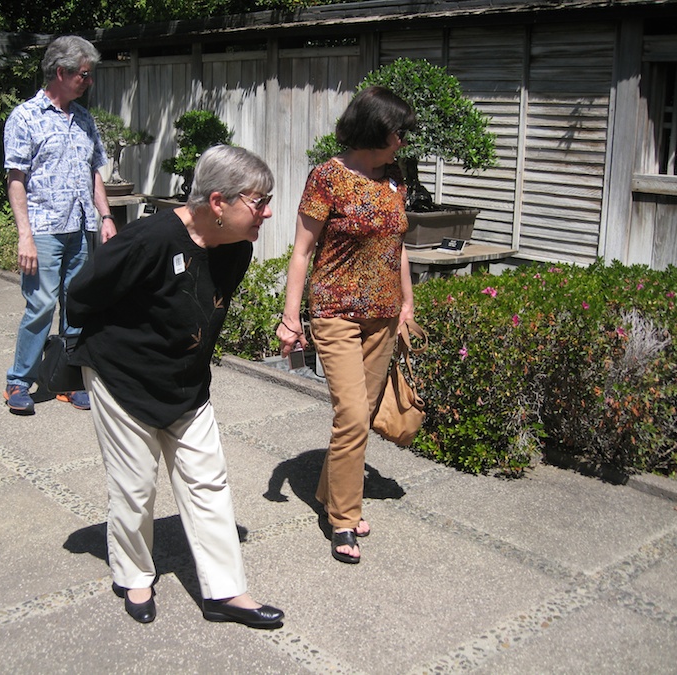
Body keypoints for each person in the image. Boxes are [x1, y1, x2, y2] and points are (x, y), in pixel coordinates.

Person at [66, 145, 285, 628]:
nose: (268, 212)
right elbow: (83, 293)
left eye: (268, 199)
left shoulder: (236, 248)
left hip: (187, 385)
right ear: (217, 202)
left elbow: (204, 309)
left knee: (208, 482)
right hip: (124, 379)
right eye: (259, 201)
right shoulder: (148, 239)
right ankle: (134, 575)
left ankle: (226, 594)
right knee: (135, 487)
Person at [276, 86, 416, 565]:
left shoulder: (396, 177)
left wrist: (406, 305)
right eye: (397, 132)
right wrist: (291, 316)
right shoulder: (327, 178)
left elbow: (398, 246)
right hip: (335, 313)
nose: (402, 140)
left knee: (362, 415)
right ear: (375, 130)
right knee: (353, 416)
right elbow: (302, 251)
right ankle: (342, 520)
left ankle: (328, 491)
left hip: (383, 317)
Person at [2, 35, 116, 415]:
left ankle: (67, 381)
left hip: (80, 228)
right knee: (41, 305)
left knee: (75, 306)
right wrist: (25, 237)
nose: (89, 82)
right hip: (44, 230)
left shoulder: (83, 119)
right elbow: (15, 178)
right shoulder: (25, 117)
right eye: (85, 74)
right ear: (61, 72)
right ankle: (18, 381)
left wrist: (106, 216)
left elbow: (93, 172)